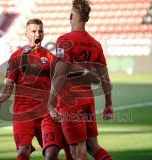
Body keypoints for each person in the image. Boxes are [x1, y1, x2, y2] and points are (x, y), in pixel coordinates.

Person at [0, 19, 72, 160]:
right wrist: (1, 97)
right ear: (27, 34)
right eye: (34, 31)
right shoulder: (16, 57)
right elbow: (8, 86)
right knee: (23, 151)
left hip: (46, 113)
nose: (37, 34)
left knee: (51, 154)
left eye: (40, 31)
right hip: (23, 114)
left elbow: (59, 83)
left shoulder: (50, 57)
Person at [47, 0, 114, 159]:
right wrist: (108, 104)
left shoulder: (64, 40)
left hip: (70, 102)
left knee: (78, 152)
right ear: (87, 19)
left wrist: (50, 103)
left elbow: (60, 75)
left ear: (71, 16)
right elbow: (105, 78)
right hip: (88, 101)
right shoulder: (95, 44)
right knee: (95, 148)